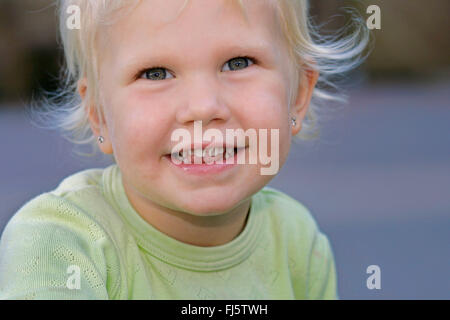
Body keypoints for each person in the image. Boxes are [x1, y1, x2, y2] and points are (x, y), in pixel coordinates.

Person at [0, 0, 368, 299]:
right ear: (99, 116)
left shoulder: (298, 241)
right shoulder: (59, 242)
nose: (203, 106)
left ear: (298, 97)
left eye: (238, 63)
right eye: (156, 73)